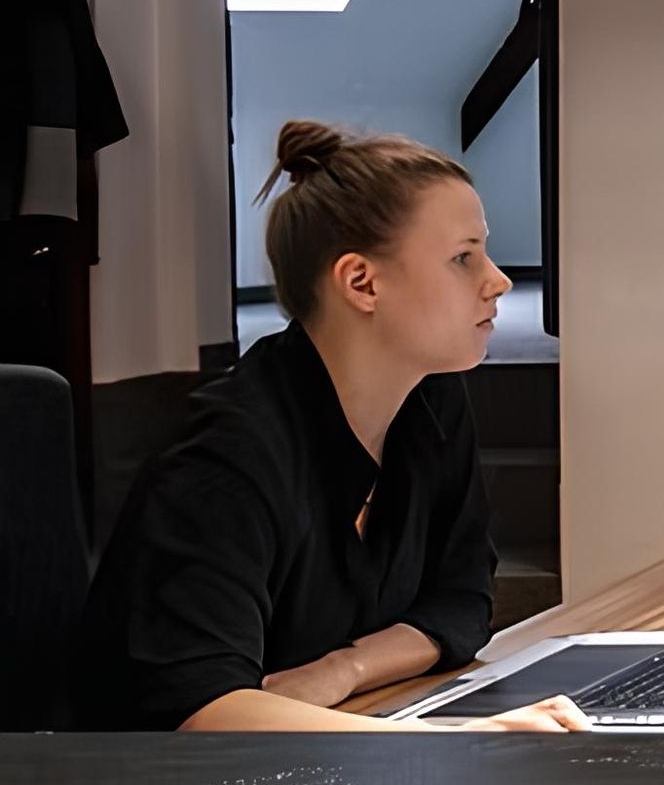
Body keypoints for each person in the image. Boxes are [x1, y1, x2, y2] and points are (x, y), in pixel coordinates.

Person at [74, 121, 588, 733]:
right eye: (463, 257)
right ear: (361, 283)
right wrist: (450, 745)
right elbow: (200, 710)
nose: (498, 280)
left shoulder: (431, 399)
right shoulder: (226, 456)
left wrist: (344, 669)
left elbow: (461, 601)